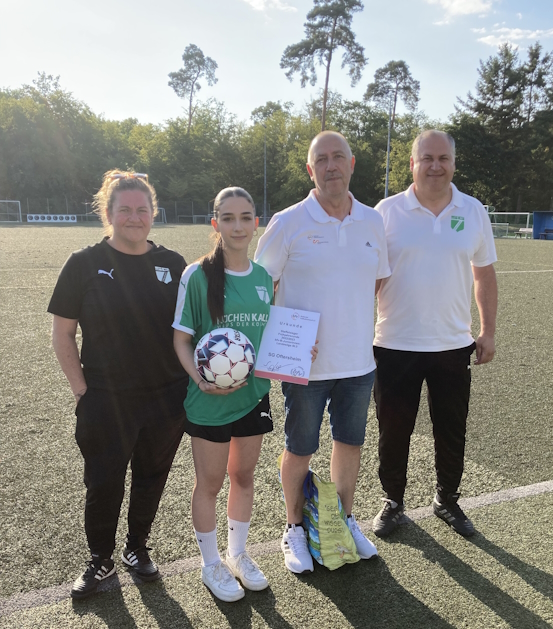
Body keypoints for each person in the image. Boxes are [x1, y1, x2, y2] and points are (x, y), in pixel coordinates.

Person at [255, 131, 390, 574]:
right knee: (300, 448)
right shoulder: (288, 221)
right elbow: (259, 288)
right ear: (310, 170)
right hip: (305, 366)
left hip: (358, 363)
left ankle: (343, 520)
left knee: (349, 444)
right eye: (322, 160)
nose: (331, 166)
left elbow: (375, 281)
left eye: (338, 157)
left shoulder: (372, 221)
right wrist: (284, 338)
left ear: (352, 164)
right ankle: (294, 527)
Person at [48, 171, 188, 599]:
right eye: (124, 209)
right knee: (104, 481)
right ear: (108, 214)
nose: (133, 217)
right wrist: (81, 390)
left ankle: (136, 548)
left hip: (166, 397)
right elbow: (62, 333)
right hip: (106, 399)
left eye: (141, 209)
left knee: (152, 476)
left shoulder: (173, 264)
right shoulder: (83, 263)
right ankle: (100, 560)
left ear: (153, 213)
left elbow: (192, 330)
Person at [371, 130, 498, 539]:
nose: (436, 165)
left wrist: (488, 330)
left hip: (452, 344)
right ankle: (393, 501)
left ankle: (447, 499)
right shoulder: (386, 212)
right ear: (413, 163)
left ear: (454, 164)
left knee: (451, 428)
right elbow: (368, 279)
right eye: (427, 158)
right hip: (393, 344)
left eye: (443, 158)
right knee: (394, 429)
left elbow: (484, 273)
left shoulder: (474, 210)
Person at [173, 187, 281, 602]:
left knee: (244, 476)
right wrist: (200, 380)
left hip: (253, 396)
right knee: (211, 482)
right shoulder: (196, 275)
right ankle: (210, 564)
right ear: (215, 224)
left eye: (246, 217)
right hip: (208, 400)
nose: (238, 226)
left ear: (257, 223)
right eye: (229, 218)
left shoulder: (262, 277)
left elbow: (267, 339)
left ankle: (237, 554)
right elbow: (182, 340)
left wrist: (297, 352)